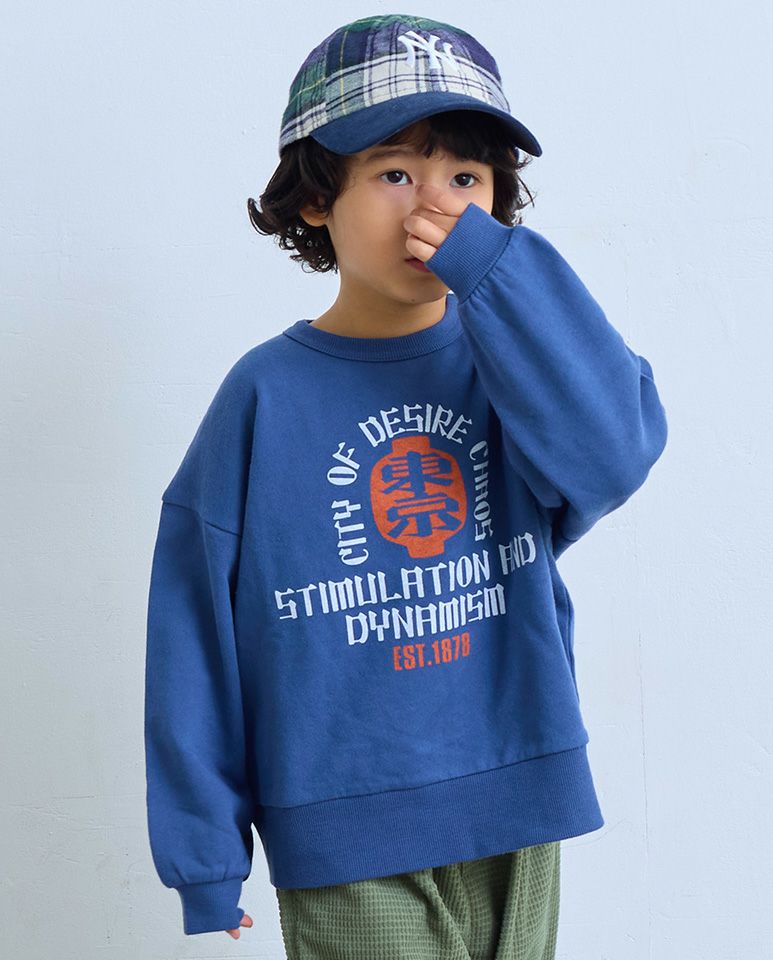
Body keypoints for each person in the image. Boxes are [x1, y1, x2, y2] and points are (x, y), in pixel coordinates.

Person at [143, 12, 668, 959]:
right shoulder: (263, 396)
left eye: (467, 179)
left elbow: (614, 453)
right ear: (316, 199)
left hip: (518, 791)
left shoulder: (514, 369)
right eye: (395, 174)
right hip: (343, 821)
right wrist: (204, 854)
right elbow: (194, 628)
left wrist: (498, 276)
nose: (436, 209)